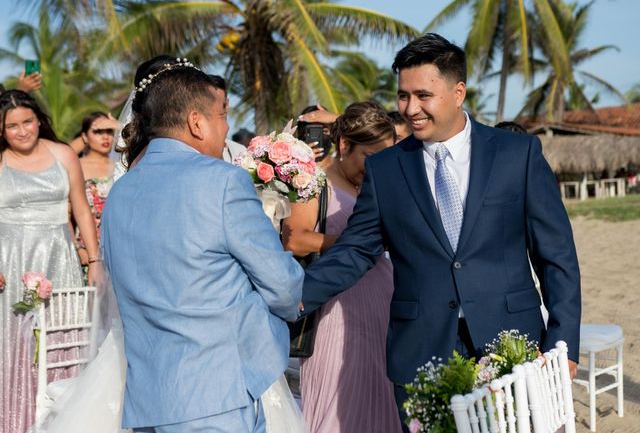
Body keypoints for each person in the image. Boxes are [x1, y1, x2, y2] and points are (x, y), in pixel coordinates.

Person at [301, 33, 581, 429]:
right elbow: (356, 251)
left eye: (423, 96)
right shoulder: (385, 169)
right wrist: (294, 296)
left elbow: (556, 257)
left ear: (458, 92)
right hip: (420, 349)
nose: (410, 108)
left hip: (514, 342)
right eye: (403, 96)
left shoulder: (518, 154)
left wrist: (563, 343)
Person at [101, 56, 304, 432]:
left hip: (149, 399)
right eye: (221, 118)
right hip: (216, 393)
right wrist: (294, 302)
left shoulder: (120, 192)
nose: (226, 129)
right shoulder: (223, 180)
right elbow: (281, 282)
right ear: (197, 122)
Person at [282, 101, 401, 433]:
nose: (376, 165)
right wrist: (363, 241)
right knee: (340, 400)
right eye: (369, 155)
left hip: (381, 304)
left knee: (382, 399)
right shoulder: (315, 180)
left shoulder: (373, 186)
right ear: (344, 145)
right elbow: (295, 240)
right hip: (336, 305)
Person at [0, 90, 102, 433]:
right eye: (12, 126)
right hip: (9, 262)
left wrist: (96, 260)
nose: (22, 131)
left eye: (27, 121)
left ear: (39, 120)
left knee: (61, 340)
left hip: (59, 260)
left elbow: (82, 210)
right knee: (15, 346)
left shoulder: (63, 154)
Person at [75, 112, 116, 265]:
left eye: (109, 131)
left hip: (119, 246)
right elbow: (65, 212)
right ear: (84, 137)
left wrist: (119, 126)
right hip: (88, 250)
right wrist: (78, 248)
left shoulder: (122, 165)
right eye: (98, 131)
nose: (105, 137)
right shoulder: (76, 165)